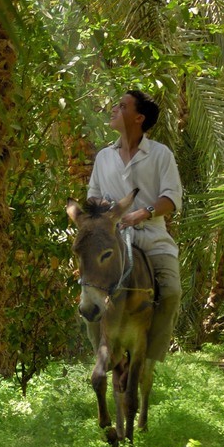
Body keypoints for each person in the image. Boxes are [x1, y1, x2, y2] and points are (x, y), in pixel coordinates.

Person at [86, 89, 184, 405]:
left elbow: (172, 198)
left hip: (152, 239)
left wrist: (142, 212)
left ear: (138, 118)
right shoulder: (104, 156)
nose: (114, 108)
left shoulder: (161, 155)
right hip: (113, 243)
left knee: (170, 293)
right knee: (89, 299)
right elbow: (91, 196)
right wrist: (107, 208)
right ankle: (108, 356)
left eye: (122, 105)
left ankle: (149, 360)